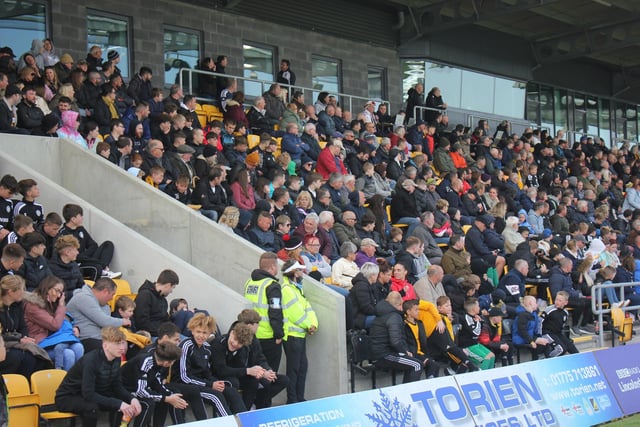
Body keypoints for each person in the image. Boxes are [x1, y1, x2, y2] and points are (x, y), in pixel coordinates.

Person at [55, 327, 142, 427]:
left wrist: (132, 399)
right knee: (92, 407)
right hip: (68, 396)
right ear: (105, 346)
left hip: (92, 393)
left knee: (124, 402)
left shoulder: (116, 358)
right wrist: (119, 404)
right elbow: (88, 394)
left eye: (123, 343)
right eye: (118, 344)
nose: (122, 347)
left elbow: (117, 386)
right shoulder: (91, 361)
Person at [211, 310, 288, 410]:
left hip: (244, 372)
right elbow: (221, 369)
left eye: (240, 344)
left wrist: (264, 370)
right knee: (239, 382)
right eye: (234, 340)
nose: (235, 344)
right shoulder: (220, 343)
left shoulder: (249, 341)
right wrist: (250, 371)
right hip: (223, 375)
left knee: (277, 380)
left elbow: (259, 357)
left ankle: (252, 407)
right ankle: (243, 411)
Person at [121, 341, 208, 427]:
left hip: (134, 389)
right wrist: (166, 398)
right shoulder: (145, 362)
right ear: (167, 362)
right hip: (123, 390)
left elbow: (157, 383)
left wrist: (169, 395)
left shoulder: (157, 362)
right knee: (149, 403)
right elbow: (141, 391)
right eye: (173, 361)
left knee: (170, 395)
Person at [174, 313, 245, 416]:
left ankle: (244, 420)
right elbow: (184, 377)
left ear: (209, 334)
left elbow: (207, 373)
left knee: (231, 390)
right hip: (186, 385)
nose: (201, 336)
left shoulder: (207, 347)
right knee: (215, 396)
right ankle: (229, 423)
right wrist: (210, 385)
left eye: (204, 333)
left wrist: (215, 382)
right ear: (192, 331)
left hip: (201, 383)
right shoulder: (186, 345)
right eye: (198, 331)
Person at [24, 275, 84, 371]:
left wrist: (75, 327)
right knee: (68, 354)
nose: (59, 295)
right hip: (41, 342)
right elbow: (54, 325)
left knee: (78, 347)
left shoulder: (53, 302)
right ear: (47, 288)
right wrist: (61, 305)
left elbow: (65, 319)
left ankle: (75, 381)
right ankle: (65, 384)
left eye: (61, 292)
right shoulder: (33, 305)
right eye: (57, 291)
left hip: (56, 339)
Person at [280, 260, 318, 404]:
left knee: (302, 368)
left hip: (300, 336)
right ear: (294, 273)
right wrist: (309, 325)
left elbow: (308, 308)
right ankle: (292, 400)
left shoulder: (297, 289)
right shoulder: (287, 289)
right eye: (300, 270)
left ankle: (299, 398)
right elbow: (295, 313)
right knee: (294, 370)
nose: (302, 272)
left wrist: (313, 324)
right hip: (292, 336)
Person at [368, 291, 423, 383]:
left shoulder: (383, 312)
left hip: (379, 352)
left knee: (415, 363)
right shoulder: (394, 316)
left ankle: (405, 391)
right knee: (417, 365)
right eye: (401, 305)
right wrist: (405, 352)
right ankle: (407, 394)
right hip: (384, 354)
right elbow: (395, 341)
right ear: (399, 304)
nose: (402, 309)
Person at [244, 252, 285, 371]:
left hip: (251, 335)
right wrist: (278, 334)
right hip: (268, 336)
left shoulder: (249, 283)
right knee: (270, 374)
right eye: (276, 265)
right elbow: (275, 312)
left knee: (255, 373)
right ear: (272, 267)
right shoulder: (272, 285)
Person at [67, 277, 130, 353]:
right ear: (105, 291)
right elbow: (104, 321)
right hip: (83, 340)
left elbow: (107, 327)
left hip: (98, 340)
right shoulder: (83, 297)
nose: (111, 299)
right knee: (111, 349)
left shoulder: (103, 305)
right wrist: (123, 321)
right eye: (112, 294)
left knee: (127, 345)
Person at [59, 204, 120, 280]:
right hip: (78, 262)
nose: (82, 218)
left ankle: (103, 270)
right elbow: (72, 256)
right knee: (96, 266)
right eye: (80, 216)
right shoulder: (63, 233)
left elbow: (93, 245)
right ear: (73, 219)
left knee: (108, 244)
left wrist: (85, 255)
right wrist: (83, 257)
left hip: (87, 258)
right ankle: (103, 269)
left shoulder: (81, 229)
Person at [0, 274, 43, 377]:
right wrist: (19, 340)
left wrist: (25, 337)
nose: (24, 292)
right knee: (16, 356)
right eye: (21, 289)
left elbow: (23, 326)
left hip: (15, 341)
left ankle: (26, 385)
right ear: (10, 292)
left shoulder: (17, 306)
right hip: (4, 344)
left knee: (33, 356)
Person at [133, 269, 178, 338]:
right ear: (168, 285)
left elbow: (165, 319)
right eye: (173, 287)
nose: (171, 291)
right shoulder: (145, 295)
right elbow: (142, 323)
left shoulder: (163, 300)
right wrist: (162, 333)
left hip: (162, 334)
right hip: (150, 335)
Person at [402, 299, 439, 379]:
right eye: (416, 310)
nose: (418, 311)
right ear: (408, 312)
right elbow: (403, 341)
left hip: (422, 353)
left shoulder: (420, 323)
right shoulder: (404, 325)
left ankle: (431, 383)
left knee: (435, 365)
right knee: (432, 365)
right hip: (412, 353)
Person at [457, 298, 495, 370]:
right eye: (478, 306)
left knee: (492, 356)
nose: (479, 308)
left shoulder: (475, 317)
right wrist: (478, 322)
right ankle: (480, 376)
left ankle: (489, 375)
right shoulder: (467, 318)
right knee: (486, 359)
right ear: (473, 308)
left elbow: (478, 332)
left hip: (476, 344)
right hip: (468, 347)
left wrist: (479, 321)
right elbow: (475, 333)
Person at [48, 235, 85, 301]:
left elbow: (81, 284)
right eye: (76, 250)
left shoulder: (74, 265)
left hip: (77, 297)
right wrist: (76, 293)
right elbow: (54, 293)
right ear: (67, 252)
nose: (77, 252)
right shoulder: (52, 268)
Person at [541, 290, 579, 355]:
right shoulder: (549, 310)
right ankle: (548, 360)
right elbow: (539, 323)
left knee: (573, 349)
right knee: (561, 349)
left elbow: (562, 326)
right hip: (547, 333)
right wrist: (539, 336)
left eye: (560, 301)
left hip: (557, 334)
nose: (557, 302)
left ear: (565, 302)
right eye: (556, 299)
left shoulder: (565, 313)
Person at [349, 262, 381, 330]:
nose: (377, 277)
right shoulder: (361, 286)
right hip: (358, 318)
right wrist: (380, 312)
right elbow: (366, 308)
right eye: (377, 275)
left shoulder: (370, 285)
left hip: (363, 315)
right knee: (384, 319)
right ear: (372, 275)